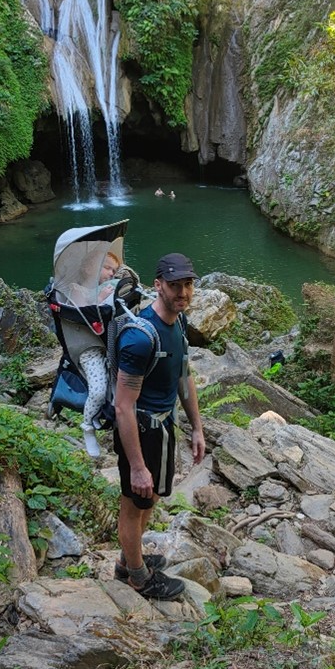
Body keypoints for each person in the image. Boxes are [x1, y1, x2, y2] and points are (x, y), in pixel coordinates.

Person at [113, 252, 205, 600]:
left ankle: (129, 559)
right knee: (135, 501)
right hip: (139, 430)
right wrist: (136, 466)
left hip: (164, 428)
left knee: (149, 499)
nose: (183, 292)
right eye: (175, 285)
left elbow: (183, 375)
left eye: (188, 284)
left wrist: (196, 427)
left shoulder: (178, 323)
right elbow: (123, 407)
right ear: (158, 286)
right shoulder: (140, 338)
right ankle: (136, 576)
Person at [75, 251, 120, 458]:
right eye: (107, 268)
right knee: (99, 390)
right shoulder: (77, 288)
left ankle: (114, 421)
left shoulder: (105, 287)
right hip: (88, 346)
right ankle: (87, 427)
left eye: (114, 270)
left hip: (109, 342)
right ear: (89, 268)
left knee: (120, 385)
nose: (111, 273)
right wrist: (100, 298)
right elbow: (80, 313)